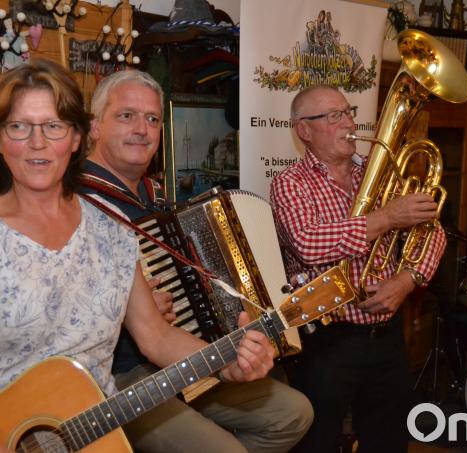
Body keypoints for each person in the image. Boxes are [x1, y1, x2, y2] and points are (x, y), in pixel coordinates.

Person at [0, 60, 276, 452]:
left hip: (91, 434)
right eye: (19, 126)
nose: (37, 143)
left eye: (53, 126)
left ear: (77, 138)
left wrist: (225, 362)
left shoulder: (112, 234)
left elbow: (156, 336)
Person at [78, 68, 313, 453]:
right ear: (95, 126)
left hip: (171, 354)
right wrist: (122, 308)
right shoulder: (77, 201)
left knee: (293, 412)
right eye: (126, 116)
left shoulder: (153, 197)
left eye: (152, 119)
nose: (142, 128)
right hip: (117, 375)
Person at [270, 85, 447, 453]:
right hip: (327, 339)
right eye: (333, 116)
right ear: (304, 130)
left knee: (389, 442)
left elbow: (434, 233)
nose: (348, 122)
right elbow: (308, 244)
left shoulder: (381, 171)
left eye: (348, 112)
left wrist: (407, 280)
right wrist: (384, 218)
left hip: (387, 336)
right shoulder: (290, 183)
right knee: (316, 441)